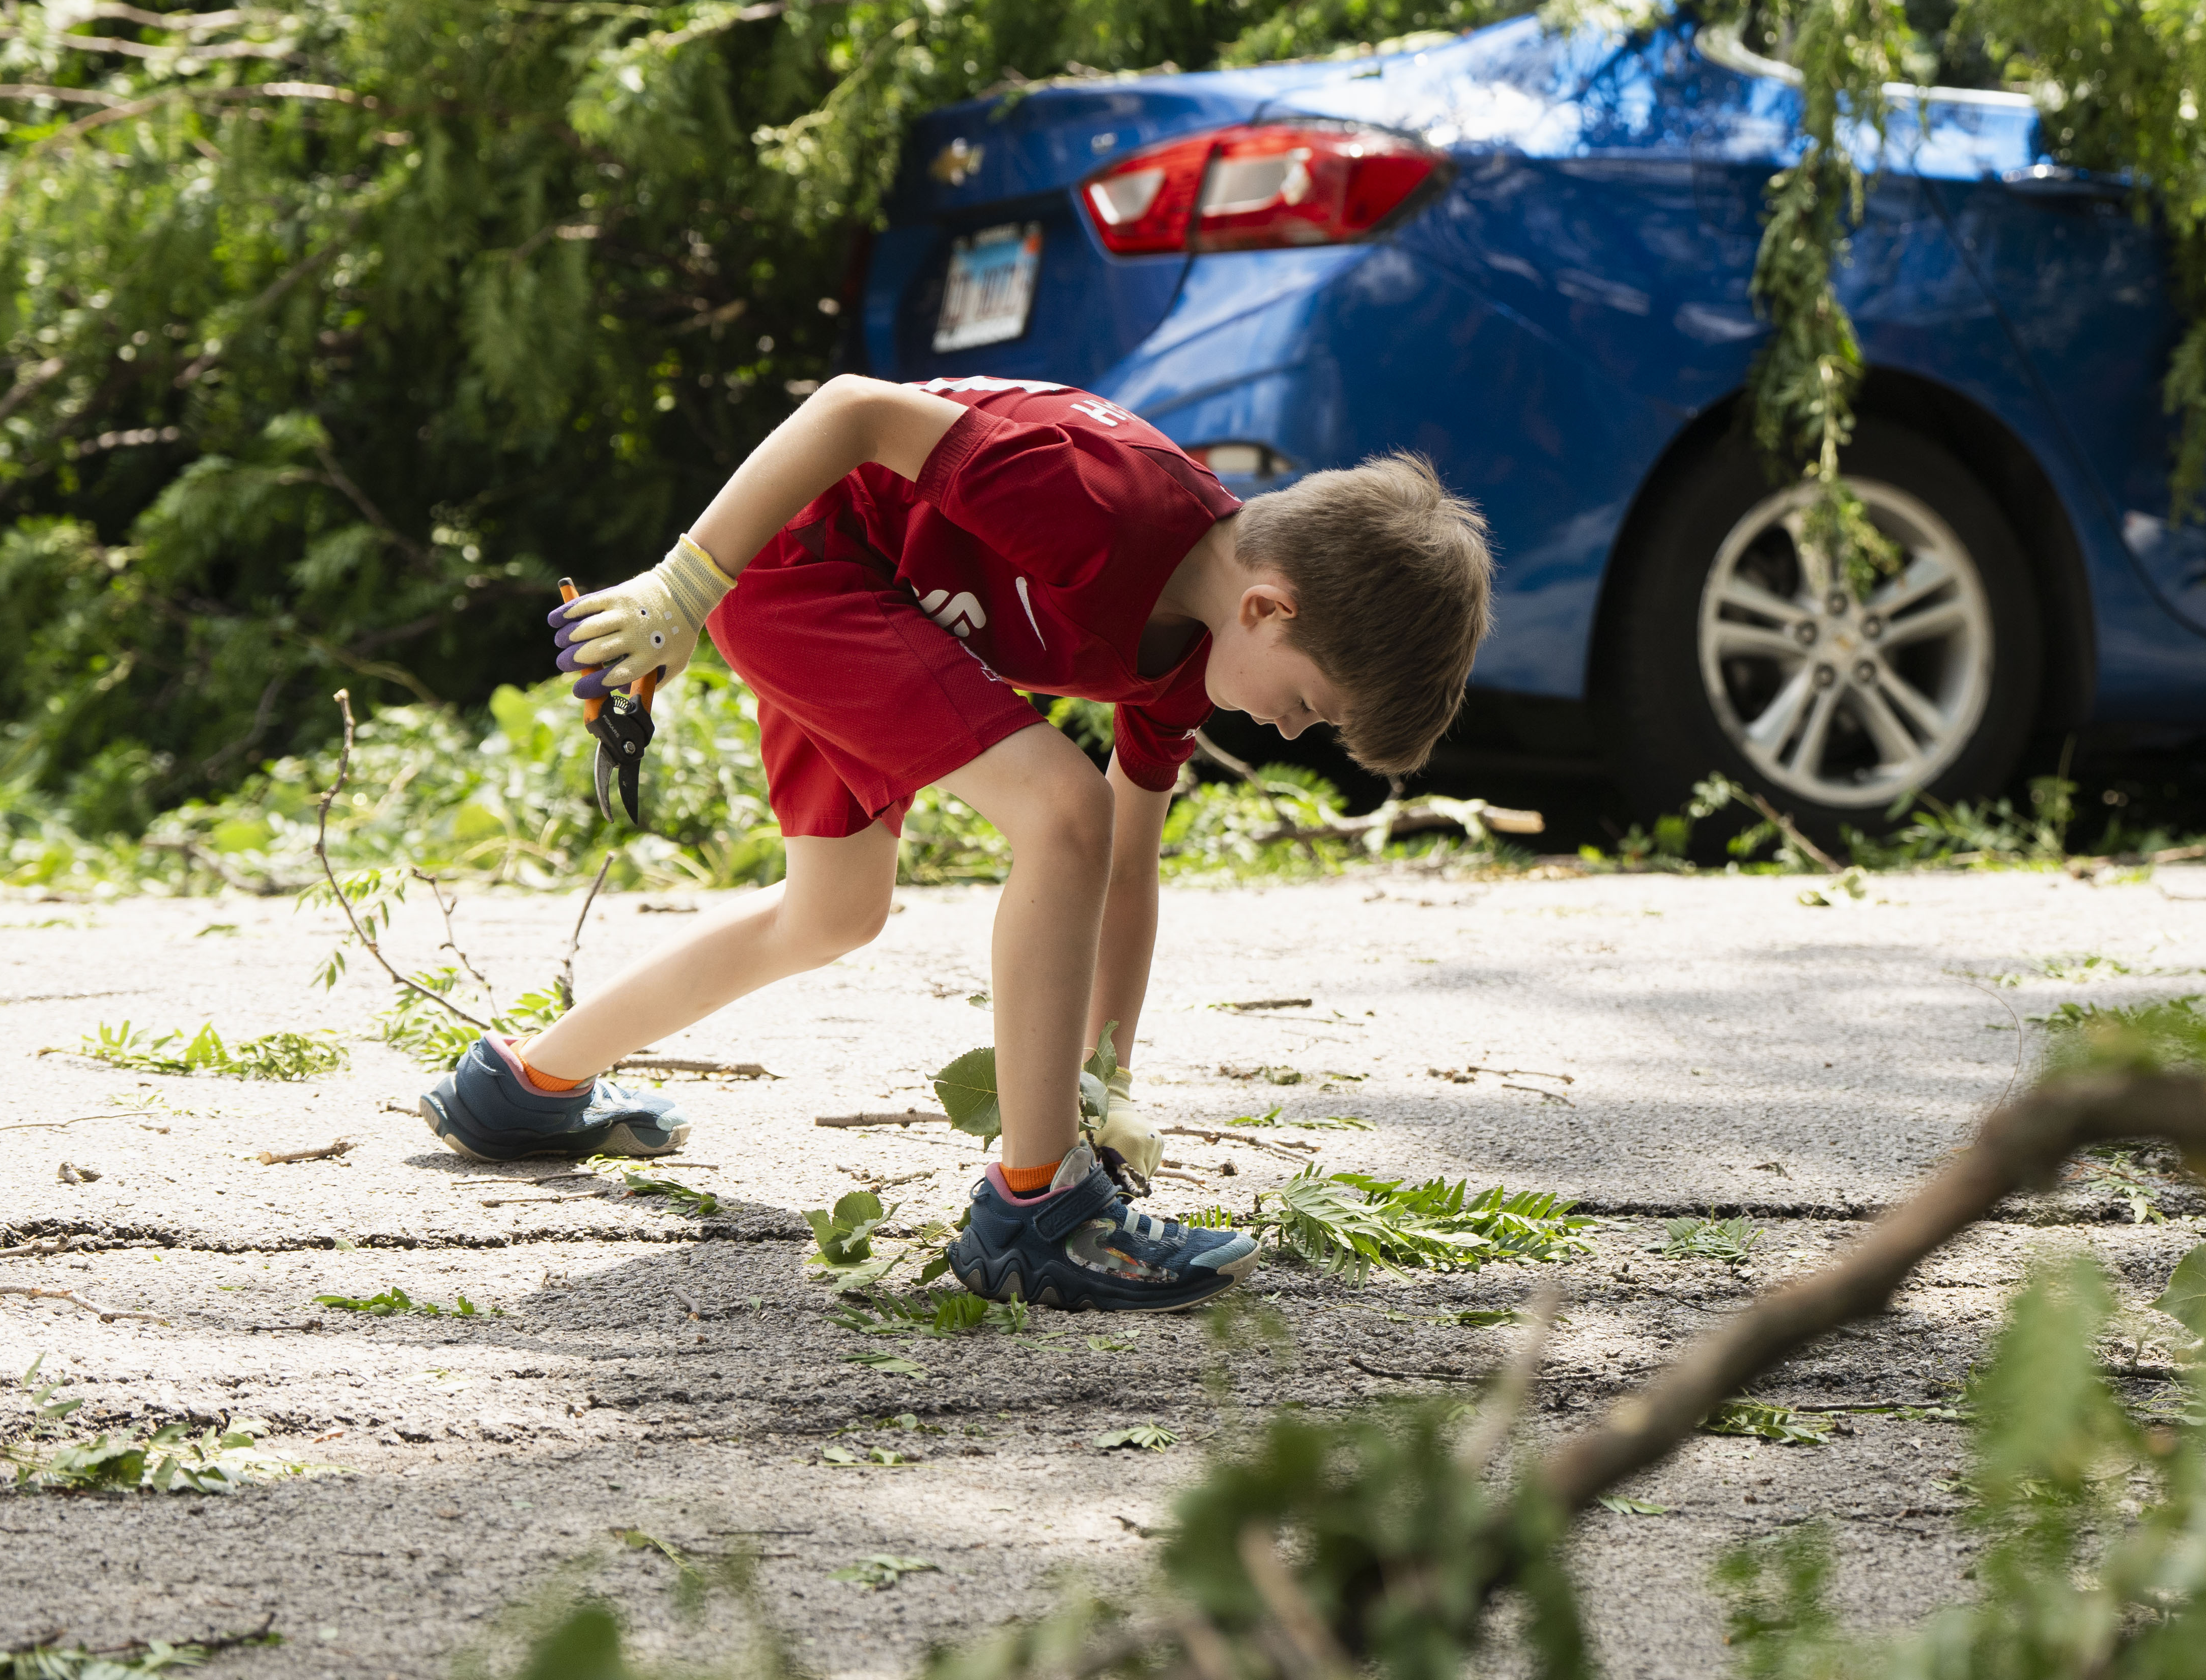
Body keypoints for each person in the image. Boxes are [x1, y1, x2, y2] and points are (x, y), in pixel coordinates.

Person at [411, 372, 1494, 1315]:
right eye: (1306, 703)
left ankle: (522, 1086)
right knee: (1060, 807)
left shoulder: (1188, 654)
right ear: (1268, 606)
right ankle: (1036, 1211)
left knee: (834, 909)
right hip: (803, 558)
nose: (1288, 728)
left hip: (883, 600)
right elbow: (853, 409)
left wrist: (1102, 1083)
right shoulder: (1104, 500)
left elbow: (1126, 868)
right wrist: (681, 587)